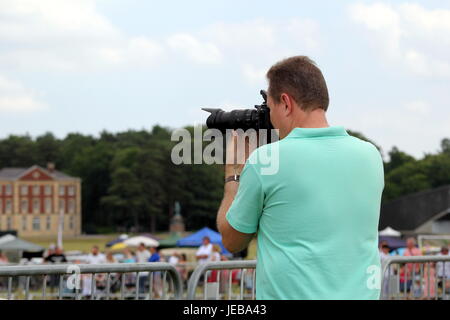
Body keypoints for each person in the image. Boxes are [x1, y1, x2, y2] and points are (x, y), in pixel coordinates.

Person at [217, 56, 385, 300]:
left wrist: (233, 174)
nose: (270, 119)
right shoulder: (370, 156)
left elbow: (232, 240)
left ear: (286, 102)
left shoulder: (266, 161)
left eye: (270, 108)